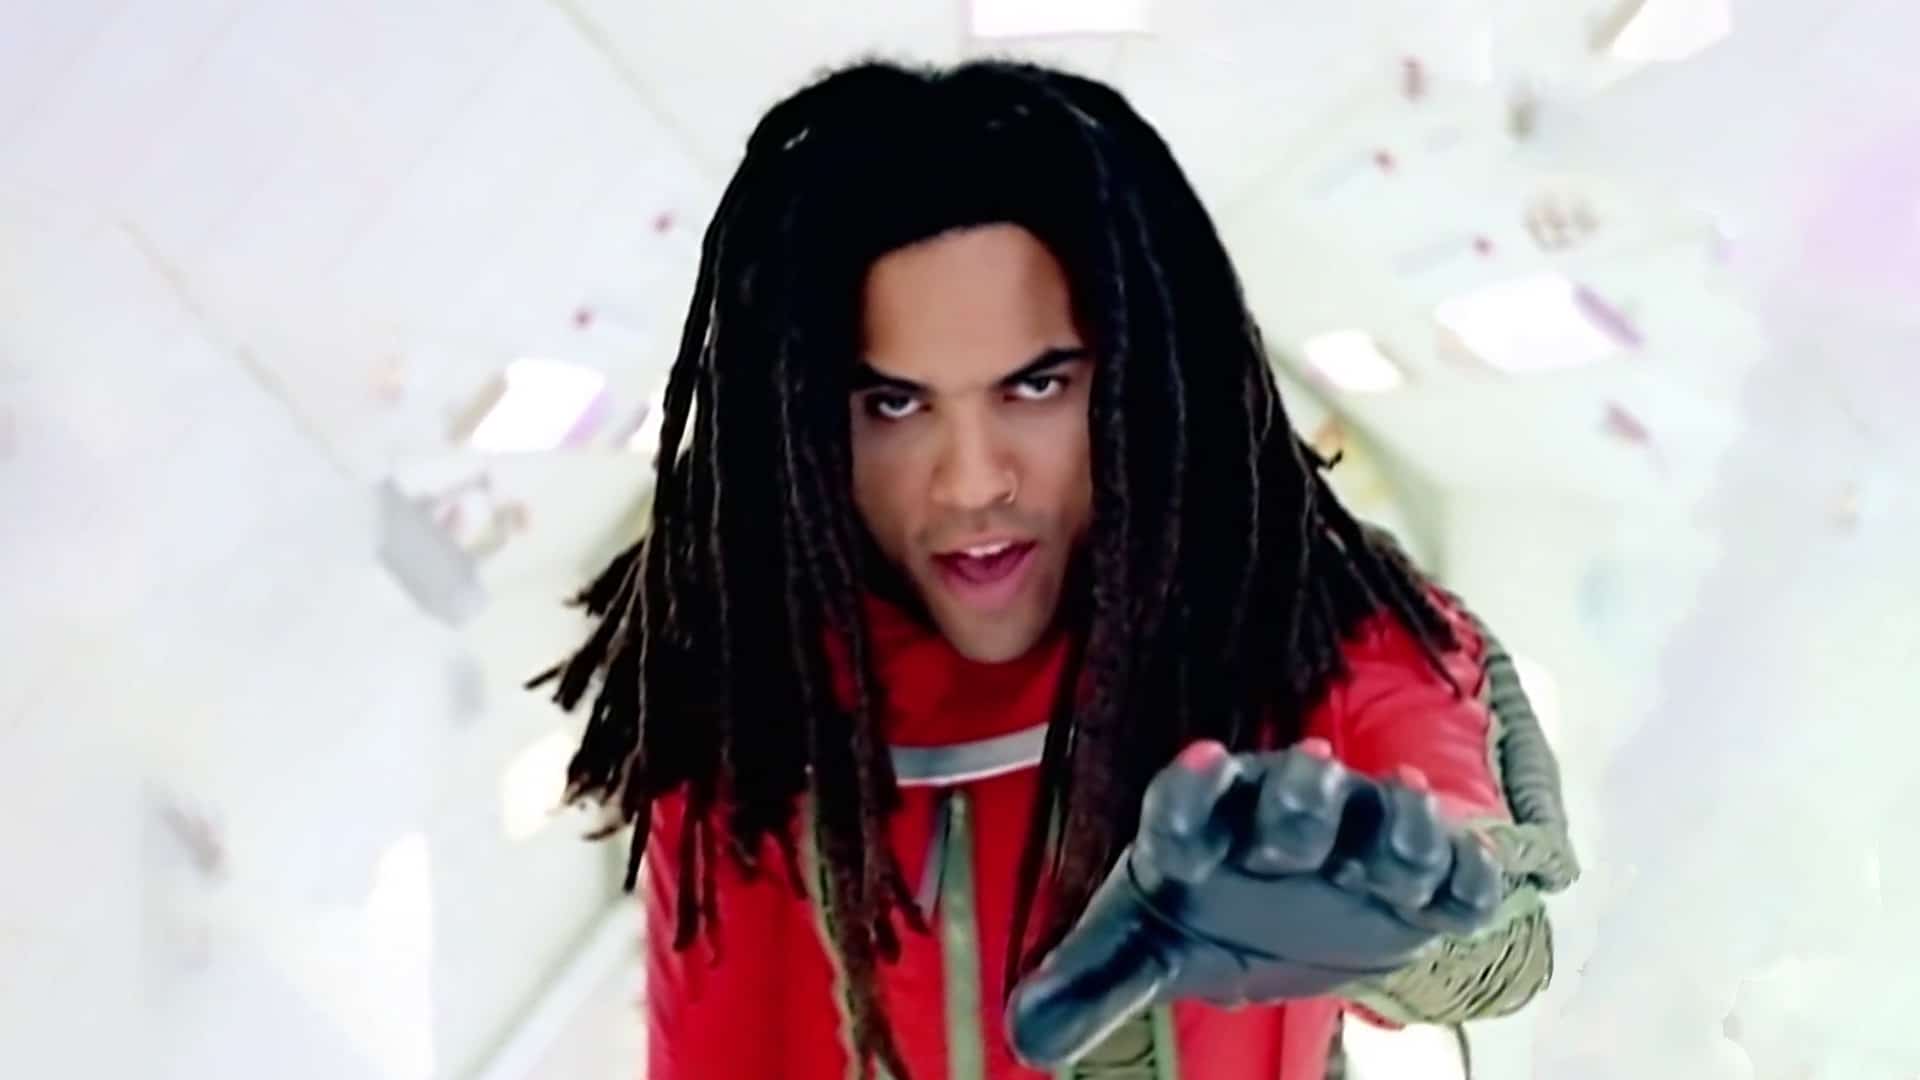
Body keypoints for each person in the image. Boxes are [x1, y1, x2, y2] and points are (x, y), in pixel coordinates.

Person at [533, 59, 1578, 1080]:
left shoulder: (1309, 621)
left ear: (1138, 374)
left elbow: (1502, 930)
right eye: (894, 404)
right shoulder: (749, 691)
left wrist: (1389, 923)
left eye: (1036, 387)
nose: (970, 482)